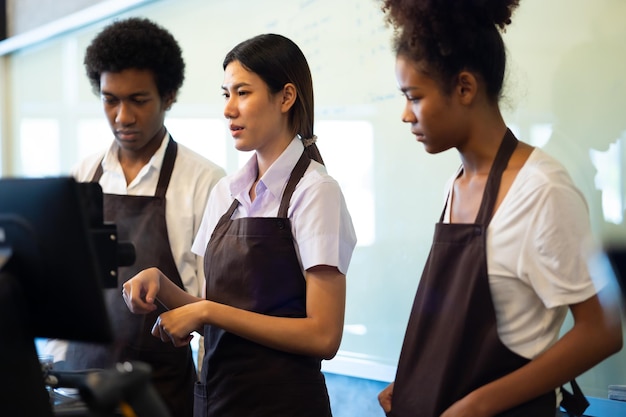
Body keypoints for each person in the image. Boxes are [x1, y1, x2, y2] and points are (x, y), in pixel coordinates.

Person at [377, 1, 623, 416]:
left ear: (465, 88)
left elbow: (602, 331)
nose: (406, 115)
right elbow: (459, 332)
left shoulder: (541, 190)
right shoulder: (455, 186)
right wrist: (419, 379)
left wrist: (479, 404)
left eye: (414, 97)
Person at [122, 33, 357, 417]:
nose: (229, 109)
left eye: (242, 93)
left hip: (284, 406)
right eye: (225, 94)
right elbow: (217, 318)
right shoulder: (225, 192)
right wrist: (163, 287)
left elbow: (323, 335)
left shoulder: (316, 192)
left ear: (285, 97)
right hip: (217, 401)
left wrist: (208, 312)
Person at [44, 17, 225, 417]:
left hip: (159, 394)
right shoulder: (82, 176)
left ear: (169, 95)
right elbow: (63, 289)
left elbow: (213, 309)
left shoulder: (205, 182)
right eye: (110, 99)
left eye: (138, 100)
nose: (122, 116)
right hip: (77, 387)